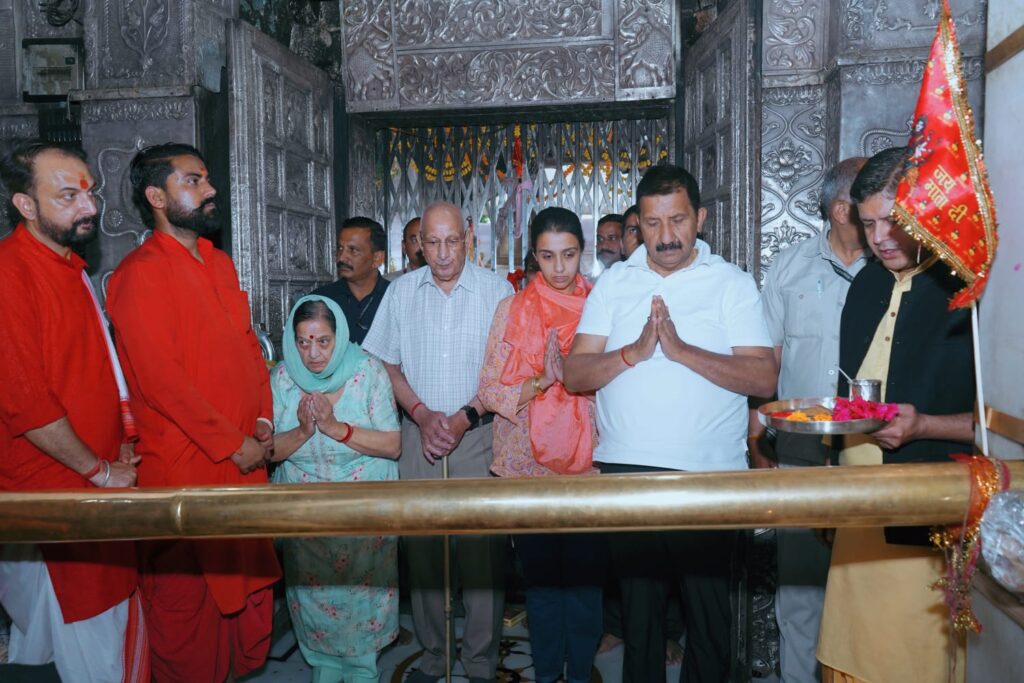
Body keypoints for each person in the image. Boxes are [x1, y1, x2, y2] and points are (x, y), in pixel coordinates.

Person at [564, 164, 777, 683]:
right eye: (653, 223)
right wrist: (634, 353)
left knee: (709, 617)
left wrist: (681, 351)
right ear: (638, 224)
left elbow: (763, 377)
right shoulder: (615, 283)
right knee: (639, 616)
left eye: (677, 220)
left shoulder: (731, 283)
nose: (665, 236)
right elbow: (574, 373)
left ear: (699, 218)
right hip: (627, 469)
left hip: (709, 473)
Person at [106, 142, 281, 683]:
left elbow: (249, 349)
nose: (210, 189)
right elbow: (162, 384)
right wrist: (231, 443)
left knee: (248, 627)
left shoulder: (220, 262)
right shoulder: (137, 274)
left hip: (246, 466)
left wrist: (263, 420)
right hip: (187, 472)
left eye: (206, 178)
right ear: (156, 197)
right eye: (193, 180)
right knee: (189, 634)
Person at [817, 147, 975, 683]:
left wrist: (925, 425)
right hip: (857, 507)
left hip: (932, 509)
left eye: (893, 221)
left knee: (915, 657)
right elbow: (848, 392)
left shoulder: (968, 287)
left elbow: (1001, 422)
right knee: (849, 649)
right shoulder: (866, 284)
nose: (881, 237)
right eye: (868, 225)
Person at [0, 140, 147, 683]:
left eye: (91, 192)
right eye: (68, 196)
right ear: (25, 205)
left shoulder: (70, 266)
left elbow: (95, 372)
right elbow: (28, 406)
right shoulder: (10, 272)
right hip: (52, 494)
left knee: (91, 640)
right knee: (87, 648)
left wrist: (119, 443)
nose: (90, 207)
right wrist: (100, 471)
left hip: (90, 480)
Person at [362, 201, 513, 683]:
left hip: (478, 437)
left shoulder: (497, 291)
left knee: (482, 554)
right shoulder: (402, 292)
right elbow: (384, 362)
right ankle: (433, 656)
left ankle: (479, 660)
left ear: (468, 237)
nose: (444, 253)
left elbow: (507, 372)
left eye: (452, 241)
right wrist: (421, 414)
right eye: (433, 243)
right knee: (424, 552)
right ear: (418, 245)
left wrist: (465, 417)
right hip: (418, 437)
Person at [749, 157, 868, 683]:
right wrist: (757, 441)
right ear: (842, 210)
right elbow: (765, 366)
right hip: (799, 453)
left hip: (870, 453)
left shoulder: (893, 270)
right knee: (799, 590)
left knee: (865, 589)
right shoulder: (789, 268)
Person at [478, 207, 601, 683]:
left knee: (586, 583)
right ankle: (548, 674)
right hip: (527, 463)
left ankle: (581, 672)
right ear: (533, 255)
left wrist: (578, 378)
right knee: (543, 583)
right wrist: (543, 381)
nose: (559, 268)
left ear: (582, 252)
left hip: (590, 465)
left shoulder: (601, 305)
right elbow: (491, 390)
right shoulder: (511, 310)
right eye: (548, 257)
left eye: (568, 254)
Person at [270, 295, 401, 683]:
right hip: (306, 519)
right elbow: (270, 451)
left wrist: (334, 428)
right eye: (303, 342)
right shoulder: (282, 378)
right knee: (314, 601)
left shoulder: (368, 371)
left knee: (363, 602)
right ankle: (323, 669)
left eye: (323, 341)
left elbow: (392, 445)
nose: (312, 354)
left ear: (339, 337)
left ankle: (363, 672)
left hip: (364, 516)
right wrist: (303, 431)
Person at [313, 217, 390, 344]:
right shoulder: (321, 300)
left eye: (353, 250)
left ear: (377, 258)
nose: (341, 258)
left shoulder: (396, 299)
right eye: (340, 248)